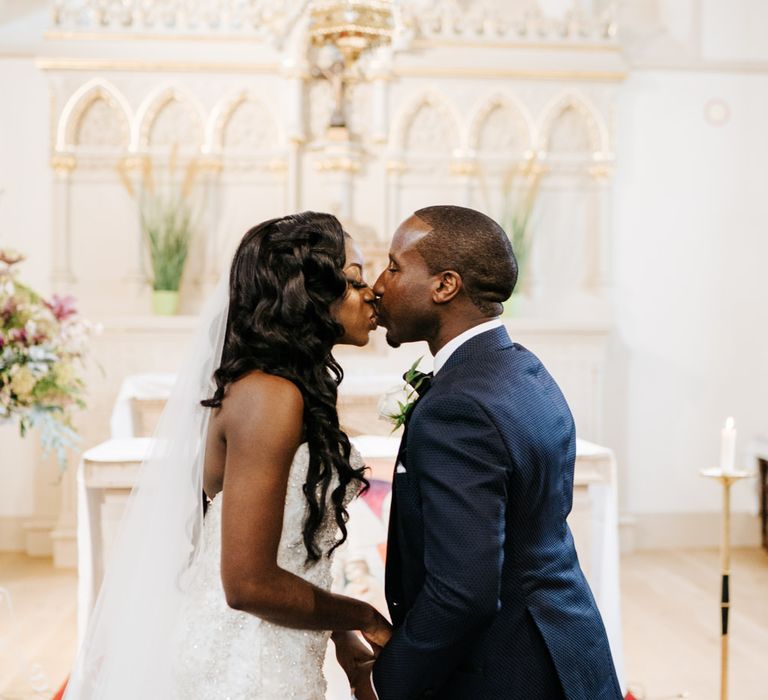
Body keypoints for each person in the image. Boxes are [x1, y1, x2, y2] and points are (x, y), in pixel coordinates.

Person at [64, 212, 391, 699]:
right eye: (352, 280)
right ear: (307, 292)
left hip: (272, 646)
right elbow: (248, 584)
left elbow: (286, 552)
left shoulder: (283, 389)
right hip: (245, 665)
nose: (371, 294)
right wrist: (362, 615)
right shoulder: (270, 397)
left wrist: (342, 637)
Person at [368, 205, 622, 699]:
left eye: (396, 267)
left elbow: (463, 592)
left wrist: (388, 681)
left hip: (508, 671)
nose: (380, 284)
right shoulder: (523, 369)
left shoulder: (457, 406)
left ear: (445, 286)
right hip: (567, 646)